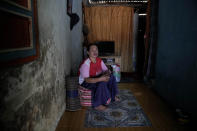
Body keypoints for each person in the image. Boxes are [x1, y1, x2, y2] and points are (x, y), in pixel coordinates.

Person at [78, 44, 119, 111]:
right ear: (88, 52)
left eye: (96, 50)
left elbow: (106, 70)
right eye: (92, 50)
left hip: (96, 77)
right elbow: (87, 80)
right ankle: (97, 105)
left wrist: (107, 74)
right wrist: (101, 79)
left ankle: (113, 96)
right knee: (101, 83)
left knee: (112, 77)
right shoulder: (85, 64)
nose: (95, 52)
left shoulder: (99, 60)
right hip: (86, 82)